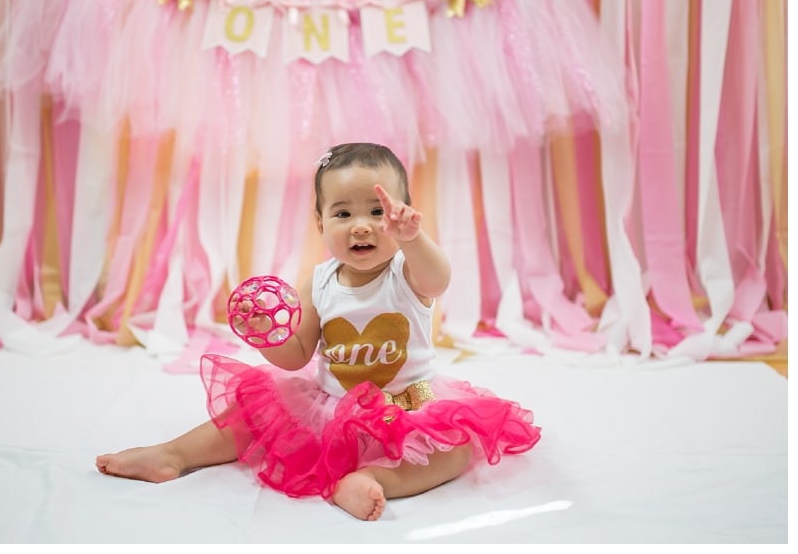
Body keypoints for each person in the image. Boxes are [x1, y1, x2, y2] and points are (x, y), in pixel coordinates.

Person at [96, 142, 541, 521]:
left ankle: (372, 479)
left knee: (457, 449)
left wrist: (413, 239)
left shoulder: (407, 272)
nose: (362, 224)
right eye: (343, 212)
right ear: (320, 223)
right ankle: (173, 454)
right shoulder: (322, 280)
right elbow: (298, 354)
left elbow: (438, 279)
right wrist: (266, 337)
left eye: (378, 211)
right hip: (332, 407)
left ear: (402, 215)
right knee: (253, 416)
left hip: (409, 405)